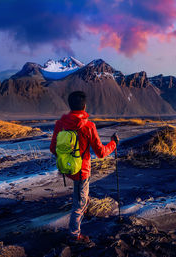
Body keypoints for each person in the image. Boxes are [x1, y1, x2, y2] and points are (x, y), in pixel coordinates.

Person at [50, 91, 119, 243]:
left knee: (80, 196)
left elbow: (53, 148)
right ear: (84, 106)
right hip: (82, 170)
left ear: (70, 105)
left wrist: (67, 157)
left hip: (67, 168)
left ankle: (84, 208)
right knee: (79, 203)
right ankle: (75, 235)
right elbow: (100, 152)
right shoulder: (88, 126)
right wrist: (113, 144)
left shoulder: (60, 124)